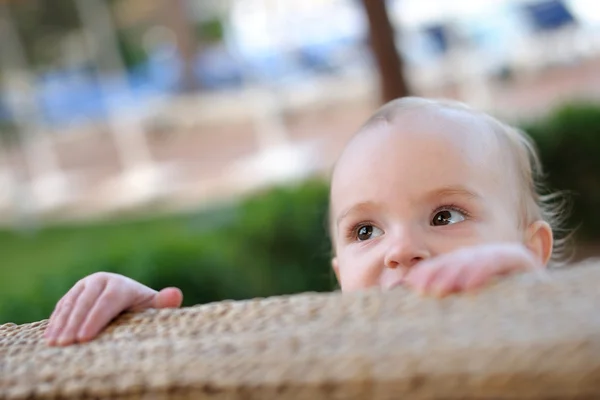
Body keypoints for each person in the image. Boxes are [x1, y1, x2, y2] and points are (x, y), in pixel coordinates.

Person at [44, 97, 565, 347]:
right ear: (340, 279)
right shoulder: (328, 360)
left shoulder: (560, 343)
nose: (401, 250)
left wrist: (531, 298)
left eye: (446, 215)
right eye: (366, 230)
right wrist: (145, 328)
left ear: (533, 251)